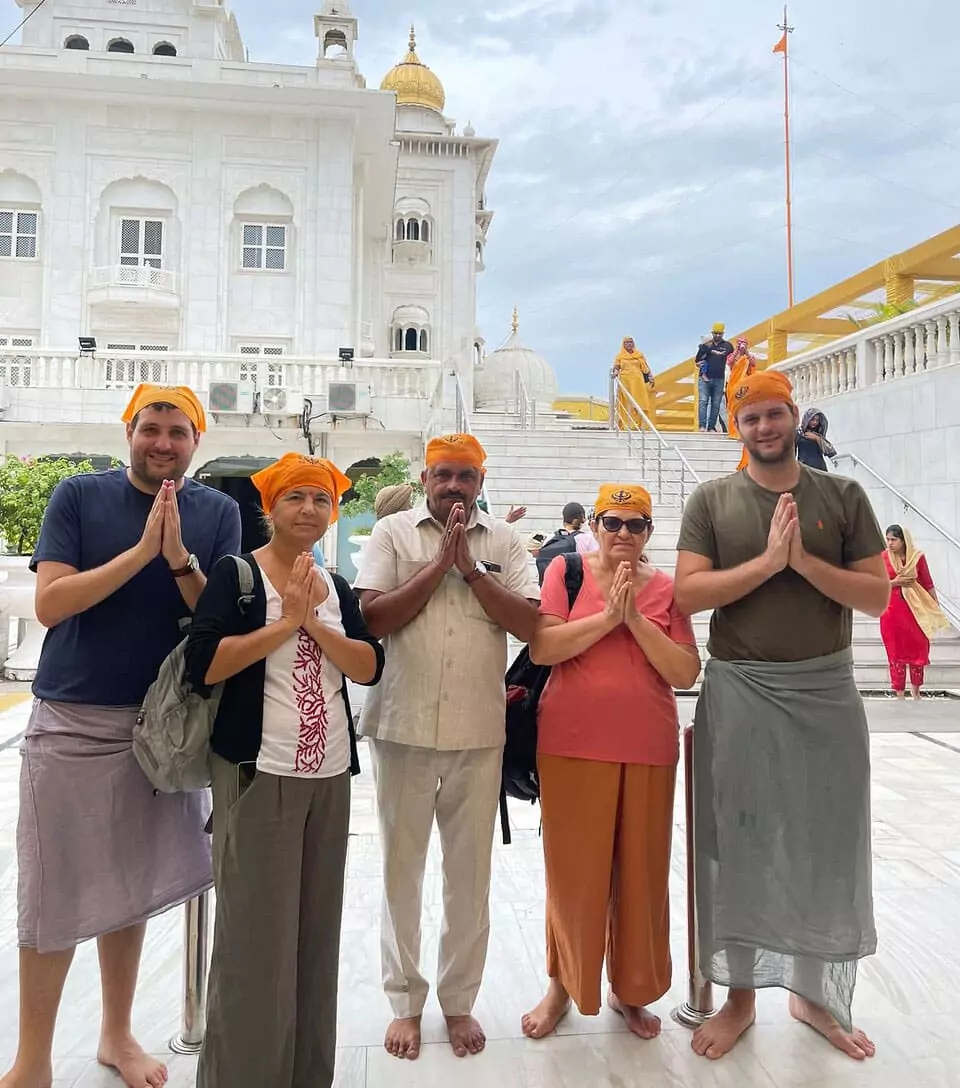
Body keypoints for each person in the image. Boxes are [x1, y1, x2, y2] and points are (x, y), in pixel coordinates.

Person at [4, 385, 241, 1088]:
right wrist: (142, 551)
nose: (162, 443)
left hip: (162, 728)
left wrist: (176, 559)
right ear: (129, 432)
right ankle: (33, 1059)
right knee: (53, 891)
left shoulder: (217, 512)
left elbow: (218, 619)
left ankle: (116, 1034)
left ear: (197, 440)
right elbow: (51, 603)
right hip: (74, 716)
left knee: (128, 886)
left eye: (178, 432)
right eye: (151, 428)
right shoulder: (78, 497)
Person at [674, 369, 890, 1064]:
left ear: (794, 419)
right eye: (750, 418)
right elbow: (687, 594)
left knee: (825, 844)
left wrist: (802, 561)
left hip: (826, 690)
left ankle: (814, 993)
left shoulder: (842, 496)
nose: (764, 428)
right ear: (736, 427)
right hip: (740, 691)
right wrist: (769, 563)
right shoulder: (713, 499)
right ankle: (740, 997)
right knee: (738, 845)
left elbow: (878, 597)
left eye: (774, 415)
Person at [183, 453, 384, 1088]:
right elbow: (205, 664)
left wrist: (313, 626)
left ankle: (305, 1075)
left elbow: (368, 665)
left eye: (321, 500)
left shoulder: (339, 588)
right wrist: (285, 625)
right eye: (295, 497)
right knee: (253, 943)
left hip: (326, 779)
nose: (309, 510)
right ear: (269, 509)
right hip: (256, 774)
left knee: (315, 941)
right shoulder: (238, 575)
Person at [354, 433, 540, 1061]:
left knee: (470, 878)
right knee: (400, 873)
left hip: (478, 730)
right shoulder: (393, 535)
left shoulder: (506, 543)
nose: (454, 486)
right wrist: (438, 566)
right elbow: (373, 619)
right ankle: (404, 1001)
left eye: (466, 476)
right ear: (426, 477)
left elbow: (532, 626)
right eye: (443, 475)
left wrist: (470, 570)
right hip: (402, 727)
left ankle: (459, 1001)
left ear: (480, 482)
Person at [521, 485, 699, 1042]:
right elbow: (543, 649)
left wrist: (637, 621)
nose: (624, 533)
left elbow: (684, 672)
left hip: (647, 744)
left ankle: (632, 988)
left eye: (636, 524)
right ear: (594, 525)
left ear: (649, 532)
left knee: (641, 873)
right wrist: (607, 619)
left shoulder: (667, 588)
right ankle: (562, 986)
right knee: (573, 874)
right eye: (613, 522)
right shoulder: (566, 571)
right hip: (571, 741)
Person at [879, 524, 949, 700]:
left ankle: (916, 691)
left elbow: (927, 583)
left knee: (918, 649)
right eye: (888, 539)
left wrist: (935, 608)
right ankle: (900, 693)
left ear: (904, 541)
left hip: (916, 610)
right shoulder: (883, 557)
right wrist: (896, 582)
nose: (889, 543)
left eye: (893, 540)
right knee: (895, 652)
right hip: (891, 611)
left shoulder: (917, 558)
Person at [534, 502, 587, 583]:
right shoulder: (586, 539)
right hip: (576, 590)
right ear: (582, 518)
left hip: (552, 588)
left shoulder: (550, 538)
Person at [695, 323, 733, 433]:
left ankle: (711, 427)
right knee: (703, 401)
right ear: (712, 333)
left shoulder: (728, 346)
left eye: (719, 333)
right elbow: (697, 360)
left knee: (716, 403)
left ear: (723, 333)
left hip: (719, 378)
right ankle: (702, 426)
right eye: (715, 333)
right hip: (704, 378)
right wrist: (698, 364)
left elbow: (733, 359)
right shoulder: (706, 345)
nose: (717, 335)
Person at [612, 337, 654, 429]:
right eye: (627, 342)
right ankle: (627, 425)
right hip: (625, 380)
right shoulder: (620, 356)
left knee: (640, 401)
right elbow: (616, 367)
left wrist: (650, 376)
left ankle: (640, 424)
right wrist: (615, 372)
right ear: (623, 344)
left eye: (631, 342)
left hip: (638, 381)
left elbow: (645, 366)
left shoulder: (639, 354)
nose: (629, 344)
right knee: (628, 402)